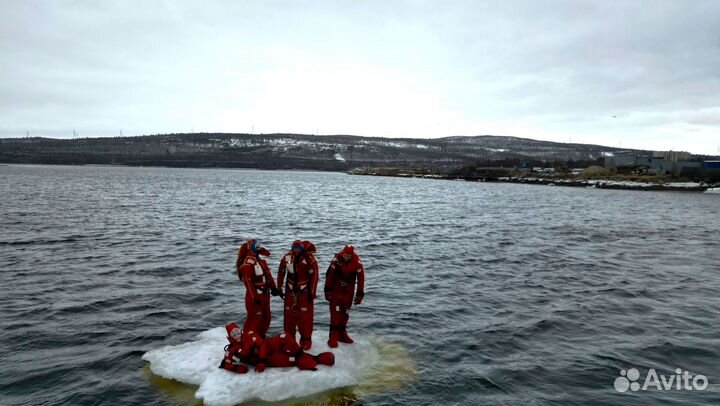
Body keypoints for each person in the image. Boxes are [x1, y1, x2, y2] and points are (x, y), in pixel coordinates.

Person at [277, 240, 319, 350]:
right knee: (289, 317)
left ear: (302, 249)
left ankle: (306, 339)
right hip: (290, 291)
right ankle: (289, 339)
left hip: (304, 292)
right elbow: (281, 272)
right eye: (294, 248)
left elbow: (314, 277)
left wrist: (312, 293)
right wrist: (279, 288)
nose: (296, 251)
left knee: (305, 318)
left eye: (298, 249)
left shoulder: (310, 260)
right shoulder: (286, 258)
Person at [324, 245, 365, 348]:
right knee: (335, 313)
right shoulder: (336, 260)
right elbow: (329, 276)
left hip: (348, 291)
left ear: (352, 255)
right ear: (343, 253)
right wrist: (327, 290)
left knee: (345, 312)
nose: (346, 257)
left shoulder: (357, 263)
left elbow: (361, 279)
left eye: (349, 256)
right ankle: (333, 336)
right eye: (345, 255)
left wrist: (359, 294)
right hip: (336, 290)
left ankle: (342, 333)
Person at [236, 239, 278, 338]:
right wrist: (254, 297)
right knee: (255, 319)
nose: (259, 248)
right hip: (255, 296)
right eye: (257, 247)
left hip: (265, 294)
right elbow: (248, 282)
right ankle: (249, 340)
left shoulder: (260, 261)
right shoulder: (247, 264)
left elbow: (268, 275)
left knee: (266, 317)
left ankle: (260, 338)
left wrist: (273, 288)